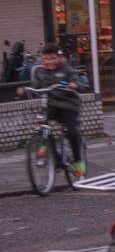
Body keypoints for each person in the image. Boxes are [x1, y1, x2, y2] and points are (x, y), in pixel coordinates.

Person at [18, 44, 86, 178]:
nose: (49, 62)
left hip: (68, 105)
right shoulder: (40, 71)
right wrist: (26, 89)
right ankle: (47, 148)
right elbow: (36, 85)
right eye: (45, 59)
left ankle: (78, 161)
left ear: (59, 58)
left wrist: (74, 85)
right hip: (51, 105)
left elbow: (79, 84)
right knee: (43, 125)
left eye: (52, 58)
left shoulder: (67, 70)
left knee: (72, 132)